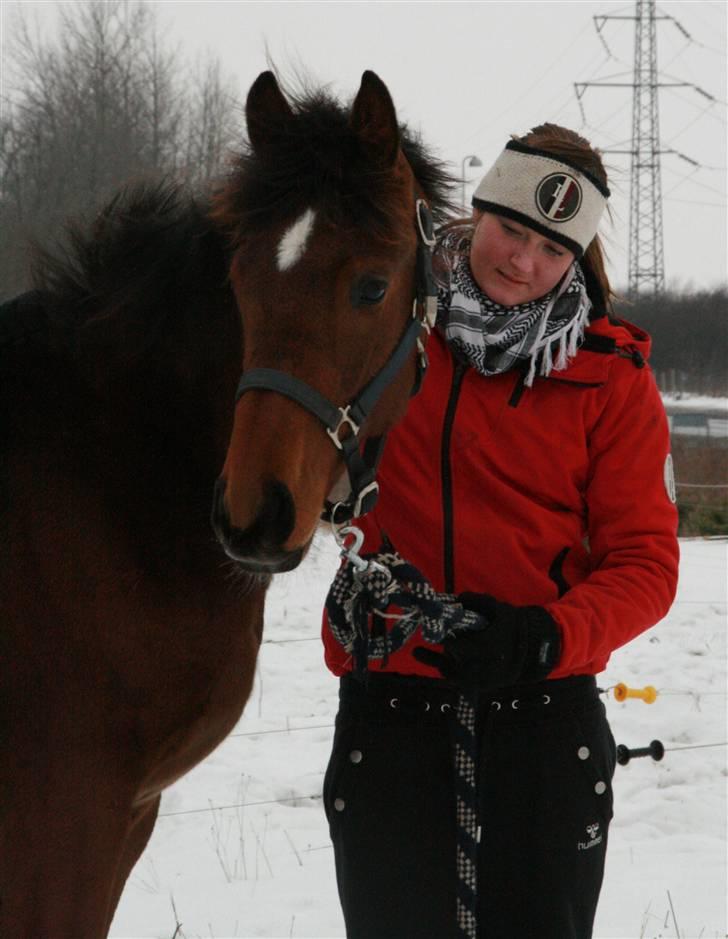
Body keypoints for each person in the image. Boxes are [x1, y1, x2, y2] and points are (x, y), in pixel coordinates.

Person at [321, 124, 679, 939]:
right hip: (391, 714)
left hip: (544, 727)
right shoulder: (385, 333)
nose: (522, 261)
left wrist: (543, 638)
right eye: (511, 229)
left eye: (552, 248)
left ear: (577, 259)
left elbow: (646, 564)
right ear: (477, 212)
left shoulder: (612, 379)